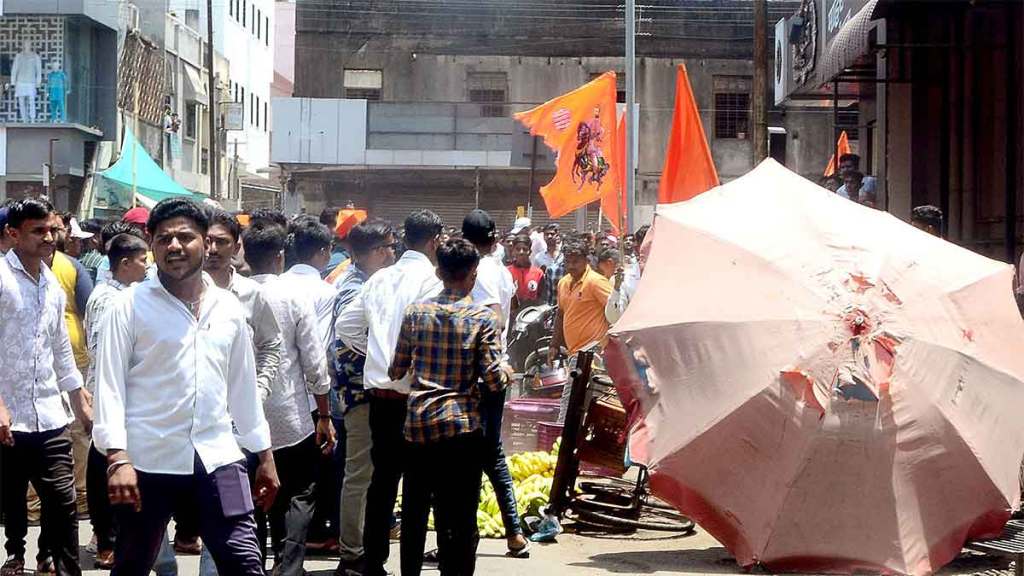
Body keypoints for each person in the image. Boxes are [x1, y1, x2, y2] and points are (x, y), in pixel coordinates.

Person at [92, 198, 280, 576]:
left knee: (244, 561)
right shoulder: (127, 307)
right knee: (132, 563)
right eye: (163, 239)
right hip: (146, 461)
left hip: (219, 456)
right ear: (151, 244)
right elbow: (108, 387)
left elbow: (242, 389)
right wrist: (117, 459)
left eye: (184, 237)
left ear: (206, 242)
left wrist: (264, 456)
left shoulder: (228, 308)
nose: (174, 246)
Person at [392, 238, 511, 576]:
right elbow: (492, 381)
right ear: (472, 274)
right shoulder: (482, 318)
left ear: (438, 271)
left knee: (414, 513)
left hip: (418, 427)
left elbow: (396, 369)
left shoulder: (415, 313)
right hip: (461, 430)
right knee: (458, 518)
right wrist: (505, 372)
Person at [335, 210, 444, 576]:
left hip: (380, 397)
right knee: (417, 488)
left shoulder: (380, 279)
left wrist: (377, 357)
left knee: (381, 484)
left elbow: (346, 326)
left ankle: (374, 562)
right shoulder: (432, 281)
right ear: (434, 241)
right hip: (417, 398)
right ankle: (409, 566)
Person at [1, 197, 92, 576]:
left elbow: (60, 349)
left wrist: (79, 398)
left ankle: (60, 565)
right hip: (9, 418)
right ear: (13, 233)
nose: (49, 237)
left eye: (53, 229)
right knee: (12, 497)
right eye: (38, 231)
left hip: (51, 414)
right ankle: (16, 552)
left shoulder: (53, 285)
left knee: (63, 498)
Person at [243, 222, 335, 576]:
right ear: (280, 257)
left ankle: (255, 563)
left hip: (244, 415)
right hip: (291, 416)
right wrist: (324, 415)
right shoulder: (294, 297)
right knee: (298, 493)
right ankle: (289, 564)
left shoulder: (232, 295)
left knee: (252, 494)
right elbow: (314, 361)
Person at [331, 220, 398, 576]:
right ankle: (352, 552)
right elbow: (343, 334)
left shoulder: (373, 282)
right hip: (359, 392)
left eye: (391, 245)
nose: (390, 253)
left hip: (365, 391)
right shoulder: (356, 288)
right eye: (382, 248)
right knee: (359, 473)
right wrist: (378, 358)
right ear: (360, 254)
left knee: (365, 472)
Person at [462, 210, 529, 558]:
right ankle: (512, 532)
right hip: (495, 369)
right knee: (490, 454)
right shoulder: (499, 270)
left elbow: (494, 316)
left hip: (480, 374)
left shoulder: (481, 272)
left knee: (475, 455)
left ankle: (467, 536)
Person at [82, 232, 150, 569]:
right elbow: (98, 349)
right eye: (142, 260)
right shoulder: (110, 300)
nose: (147, 267)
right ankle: (106, 540)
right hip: (106, 393)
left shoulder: (123, 295)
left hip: (114, 392)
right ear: (124, 264)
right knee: (103, 467)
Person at [279, 217, 340, 549]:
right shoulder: (325, 292)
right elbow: (317, 347)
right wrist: (325, 410)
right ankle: (306, 540)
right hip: (311, 397)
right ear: (321, 252)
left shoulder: (274, 285)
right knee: (309, 478)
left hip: (275, 392)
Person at [204, 208, 282, 404]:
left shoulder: (252, 293)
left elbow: (270, 344)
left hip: (239, 412)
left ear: (236, 247)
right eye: (207, 241)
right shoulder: (182, 291)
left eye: (221, 242)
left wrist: (260, 391)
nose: (212, 249)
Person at [548, 240, 613, 423]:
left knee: (576, 402)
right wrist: (554, 343)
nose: (571, 266)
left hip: (593, 353)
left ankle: (563, 435)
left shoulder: (596, 282)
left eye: (575, 261)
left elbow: (615, 311)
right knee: (580, 403)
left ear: (586, 260)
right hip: (574, 353)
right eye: (568, 261)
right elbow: (561, 315)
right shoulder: (563, 283)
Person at [508, 235, 544, 317]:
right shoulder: (507, 272)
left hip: (531, 317)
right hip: (511, 317)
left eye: (525, 249)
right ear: (513, 251)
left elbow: (541, 298)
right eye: (518, 249)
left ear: (530, 252)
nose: (521, 252)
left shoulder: (538, 273)